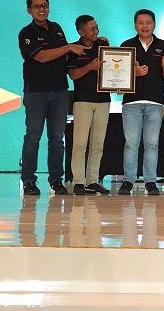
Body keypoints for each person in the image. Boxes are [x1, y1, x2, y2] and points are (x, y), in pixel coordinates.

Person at [18, 0, 86, 196]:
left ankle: (56, 180)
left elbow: (67, 54)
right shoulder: (26, 33)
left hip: (59, 90)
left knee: (57, 138)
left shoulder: (56, 28)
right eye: (37, 6)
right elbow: (42, 56)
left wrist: (91, 41)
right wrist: (69, 47)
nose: (42, 9)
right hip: (36, 92)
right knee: (33, 136)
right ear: (29, 10)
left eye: (45, 5)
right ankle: (29, 180)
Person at [118, 9, 164, 196]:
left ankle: (151, 182)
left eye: (148, 22)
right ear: (135, 25)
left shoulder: (163, 46)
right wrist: (135, 73)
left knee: (152, 144)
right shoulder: (127, 46)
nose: (144, 26)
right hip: (131, 103)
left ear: (154, 24)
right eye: (140, 22)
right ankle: (128, 181)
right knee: (131, 144)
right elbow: (119, 75)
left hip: (155, 102)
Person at [67, 15, 111, 196]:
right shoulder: (74, 49)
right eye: (92, 29)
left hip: (103, 100)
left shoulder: (103, 46)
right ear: (81, 31)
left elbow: (113, 69)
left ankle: (93, 180)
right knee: (79, 143)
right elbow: (73, 75)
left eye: (97, 27)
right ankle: (78, 181)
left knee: (98, 144)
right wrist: (90, 67)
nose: (96, 31)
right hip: (82, 100)